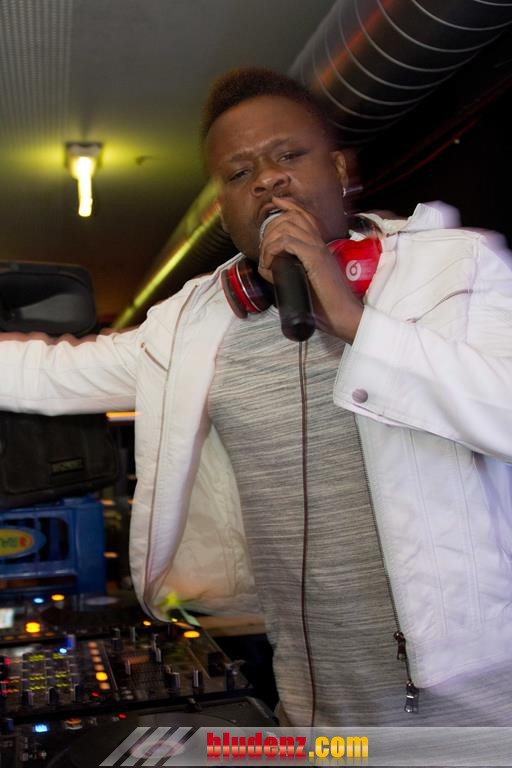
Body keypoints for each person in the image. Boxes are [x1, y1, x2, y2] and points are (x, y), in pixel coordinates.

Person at [1, 68, 511, 728]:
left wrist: (357, 324)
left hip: (479, 704)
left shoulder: (456, 271)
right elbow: (50, 374)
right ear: (223, 205)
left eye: (288, 155)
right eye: (239, 172)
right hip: (316, 701)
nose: (267, 179)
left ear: (339, 170)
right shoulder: (192, 326)